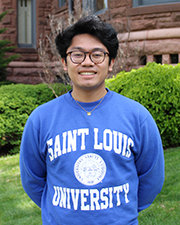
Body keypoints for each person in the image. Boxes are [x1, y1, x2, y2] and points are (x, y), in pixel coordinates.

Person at [20, 15, 164, 225]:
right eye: (77, 54)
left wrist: (123, 212)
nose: (87, 62)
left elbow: (151, 179)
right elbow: (32, 180)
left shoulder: (137, 117)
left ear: (111, 62)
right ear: (64, 62)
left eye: (97, 55)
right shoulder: (41, 120)